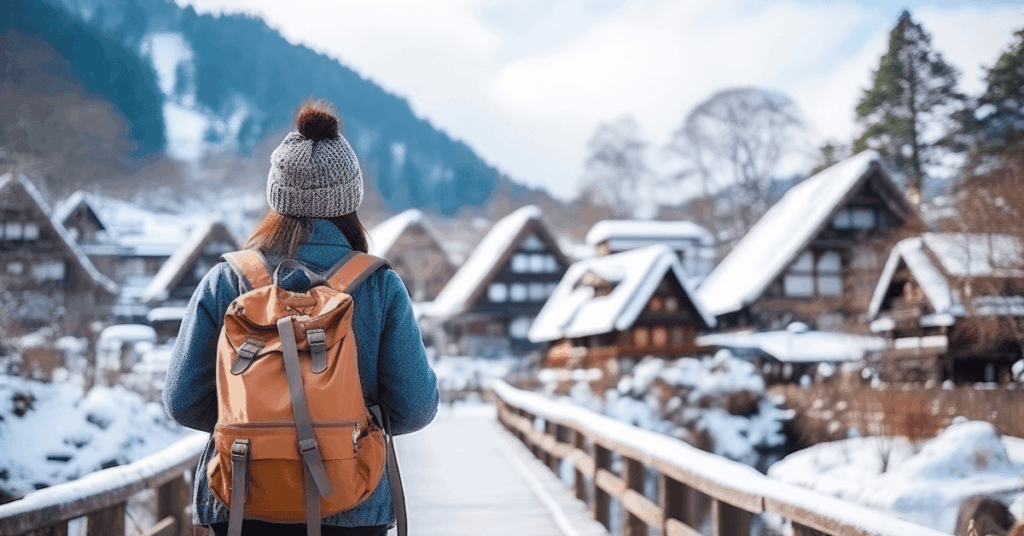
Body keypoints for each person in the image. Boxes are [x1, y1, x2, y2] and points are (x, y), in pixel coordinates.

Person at [163, 100, 439, 536]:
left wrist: (256, 423)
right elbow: (416, 407)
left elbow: (182, 401)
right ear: (349, 199)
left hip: (242, 498)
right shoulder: (379, 285)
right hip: (351, 500)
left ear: (277, 196)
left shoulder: (227, 281)